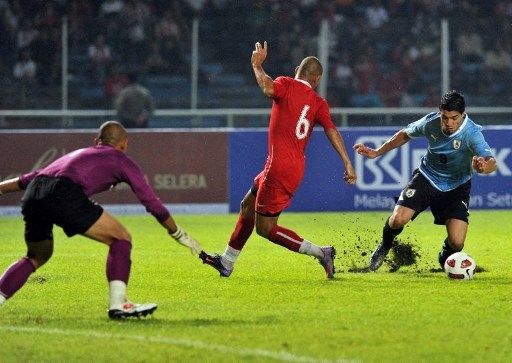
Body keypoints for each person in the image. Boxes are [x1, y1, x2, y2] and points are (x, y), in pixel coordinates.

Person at [0, 121, 203, 319]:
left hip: (34, 193)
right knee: (121, 238)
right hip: (65, 193)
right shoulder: (122, 160)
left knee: (37, 256)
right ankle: (118, 305)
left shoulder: (75, 154)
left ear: (97, 141)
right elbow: (151, 202)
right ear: (124, 144)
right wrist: (176, 232)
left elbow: (27, 179)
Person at [200, 41, 357, 279]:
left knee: (265, 229)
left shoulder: (286, 83)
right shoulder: (318, 102)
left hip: (279, 168)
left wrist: (257, 66)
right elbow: (332, 130)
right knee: (247, 206)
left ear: (297, 70)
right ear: (316, 81)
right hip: (285, 167)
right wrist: (346, 161)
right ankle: (227, 261)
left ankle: (322, 252)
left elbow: (267, 88)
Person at [353, 90, 497, 271]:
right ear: (440, 112)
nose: (449, 123)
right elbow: (405, 134)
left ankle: (445, 260)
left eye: (454, 118)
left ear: (463, 115)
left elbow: (491, 161)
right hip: (427, 177)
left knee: (457, 242)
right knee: (398, 219)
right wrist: (377, 152)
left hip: (457, 186)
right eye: (445, 117)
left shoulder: (472, 133)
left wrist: (484, 168)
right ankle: (385, 245)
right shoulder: (431, 123)